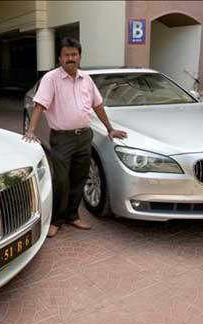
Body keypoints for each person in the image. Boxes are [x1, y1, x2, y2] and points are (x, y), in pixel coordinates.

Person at [23, 37, 127, 238]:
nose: (71, 58)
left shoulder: (86, 79)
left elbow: (97, 105)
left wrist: (110, 129)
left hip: (84, 137)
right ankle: (56, 220)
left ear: (79, 56)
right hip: (62, 138)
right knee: (61, 180)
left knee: (79, 177)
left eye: (74, 54)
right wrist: (31, 130)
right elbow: (40, 105)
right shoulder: (51, 79)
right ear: (60, 57)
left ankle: (72, 216)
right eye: (67, 55)